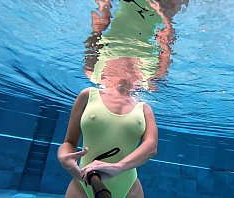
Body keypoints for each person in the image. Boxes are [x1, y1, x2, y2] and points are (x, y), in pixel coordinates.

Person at [57, 57, 158, 198]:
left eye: (132, 67)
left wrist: (119, 166)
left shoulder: (144, 109)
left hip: (128, 187)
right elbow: (69, 143)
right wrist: (64, 157)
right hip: (83, 183)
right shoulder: (88, 95)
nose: (127, 72)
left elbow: (151, 147)